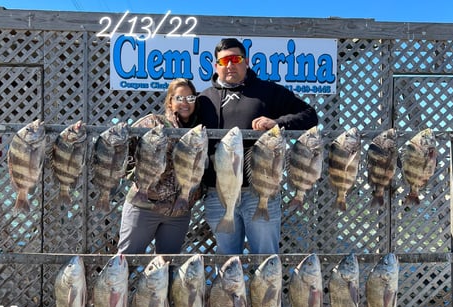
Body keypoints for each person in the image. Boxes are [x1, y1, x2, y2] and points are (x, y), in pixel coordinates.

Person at [197, 38, 318, 255]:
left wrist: (277, 123)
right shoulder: (204, 98)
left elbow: (310, 116)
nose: (230, 65)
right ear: (216, 66)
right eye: (224, 61)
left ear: (247, 62)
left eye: (236, 59)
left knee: (266, 258)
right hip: (219, 193)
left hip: (262, 190)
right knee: (226, 261)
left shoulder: (269, 92)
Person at [116, 78, 200, 255]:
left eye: (190, 98)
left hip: (179, 212)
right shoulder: (153, 123)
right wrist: (136, 174)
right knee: (126, 260)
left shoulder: (198, 131)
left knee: (166, 267)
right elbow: (123, 147)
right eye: (179, 98)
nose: (185, 103)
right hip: (143, 206)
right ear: (170, 101)